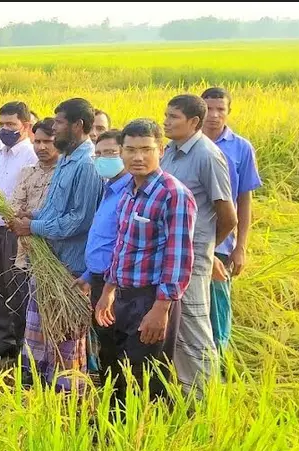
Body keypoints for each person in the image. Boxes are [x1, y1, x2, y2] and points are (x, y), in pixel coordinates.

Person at [95, 118, 196, 407]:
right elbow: (123, 245)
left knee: (146, 372)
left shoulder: (173, 194)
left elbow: (178, 257)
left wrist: (160, 309)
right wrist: (108, 291)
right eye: (130, 150)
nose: (138, 157)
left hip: (152, 298)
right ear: (122, 151)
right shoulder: (128, 191)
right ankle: (112, 423)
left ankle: (149, 433)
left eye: (146, 149)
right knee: (114, 365)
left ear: (160, 150)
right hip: (123, 296)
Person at [8, 98, 103, 392]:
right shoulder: (66, 160)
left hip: (70, 268)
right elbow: (55, 208)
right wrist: (32, 216)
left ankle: (68, 395)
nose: (55, 128)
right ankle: (40, 385)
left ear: (78, 126)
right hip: (49, 260)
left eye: (60, 123)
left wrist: (32, 226)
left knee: (65, 335)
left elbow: (79, 219)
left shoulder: (87, 165)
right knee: (41, 328)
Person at [160, 94, 236, 398]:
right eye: (165, 115)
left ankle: (206, 399)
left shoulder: (207, 155)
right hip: (168, 255)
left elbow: (228, 215)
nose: (166, 121)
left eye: (173, 117)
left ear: (194, 122)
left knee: (195, 327)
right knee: (176, 329)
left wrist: (204, 248)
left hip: (191, 258)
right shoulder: (169, 151)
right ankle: (182, 391)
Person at [201, 86, 262, 353]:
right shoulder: (181, 145)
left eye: (220, 110)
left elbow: (244, 200)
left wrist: (240, 247)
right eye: (208, 109)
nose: (214, 115)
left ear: (228, 112)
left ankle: (219, 367)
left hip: (222, 244)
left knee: (218, 311)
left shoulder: (241, 148)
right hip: (188, 240)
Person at [0, 101, 38, 359]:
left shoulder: (32, 156)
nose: (5, 129)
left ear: (25, 126)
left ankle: (22, 344)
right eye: (1, 124)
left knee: (17, 289)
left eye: (11, 125)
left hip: (15, 233)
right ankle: (5, 340)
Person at [80, 129, 133, 377]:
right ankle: (111, 399)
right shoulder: (108, 188)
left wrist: (109, 290)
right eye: (98, 154)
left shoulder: (129, 192)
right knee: (106, 344)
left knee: (117, 345)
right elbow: (104, 239)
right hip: (100, 279)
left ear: (125, 153)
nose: (103, 159)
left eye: (110, 152)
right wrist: (89, 275)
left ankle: (121, 405)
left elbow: (124, 244)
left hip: (117, 284)